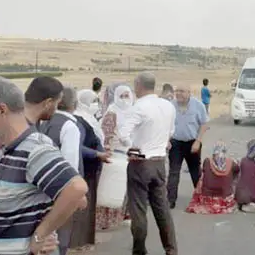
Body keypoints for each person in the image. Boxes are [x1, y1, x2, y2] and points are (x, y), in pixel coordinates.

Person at [0, 75, 88, 254]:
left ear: (1, 110)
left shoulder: (34, 148)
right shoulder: (7, 149)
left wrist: (40, 235)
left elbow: (76, 190)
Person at [119, 72, 177, 255]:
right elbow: (171, 132)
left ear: (138, 85)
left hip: (140, 162)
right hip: (159, 162)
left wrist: (131, 148)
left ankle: (139, 250)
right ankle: (171, 249)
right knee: (162, 209)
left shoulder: (139, 107)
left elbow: (123, 134)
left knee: (138, 210)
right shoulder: (168, 106)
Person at [38, 86, 85, 255]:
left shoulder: (44, 123)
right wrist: (76, 193)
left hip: (42, 187)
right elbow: (69, 165)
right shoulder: (70, 127)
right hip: (61, 190)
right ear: (74, 103)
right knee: (60, 237)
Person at [70, 88, 112, 251]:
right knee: (82, 206)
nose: (96, 105)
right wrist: (97, 153)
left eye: (97, 101)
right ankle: (76, 242)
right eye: (93, 101)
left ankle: (86, 240)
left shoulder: (90, 119)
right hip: (85, 167)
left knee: (90, 205)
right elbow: (78, 146)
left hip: (92, 166)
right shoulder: (79, 120)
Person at [96, 83, 133, 230]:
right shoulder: (112, 113)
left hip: (130, 155)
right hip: (115, 155)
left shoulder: (134, 111)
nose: (124, 99)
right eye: (121, 96)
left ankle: (124, 215)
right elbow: (106, 136)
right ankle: (105, 221)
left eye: (127, 96)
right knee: (111, 190)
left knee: (127, 189)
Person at [168, 84, 209, 209]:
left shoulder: (198, 106)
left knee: (195, 171)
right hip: (175, 142)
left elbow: (204, 124)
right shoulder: (170, 106)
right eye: (177, 91)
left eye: (182, 91)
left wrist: (198, 141)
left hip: (193, 142)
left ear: (189, 93)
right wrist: (167, 140)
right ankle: (170, 200)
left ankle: (201, 197)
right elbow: (165, 123)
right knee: (173, 171)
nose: (179, 93)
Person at [186, 141, 240, 214]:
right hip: (225, 198)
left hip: (208, 198)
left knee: (202, 178)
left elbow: (203, 172)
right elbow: (237, 171)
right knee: (233, 175)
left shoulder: (207, 161)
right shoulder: (231, 162)